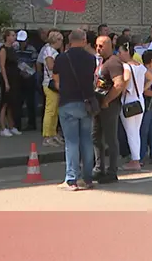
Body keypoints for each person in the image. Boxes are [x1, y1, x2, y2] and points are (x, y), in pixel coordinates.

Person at [53, 29, 97, 190]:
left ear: (70, 41)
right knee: (86, 140)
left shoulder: (61, 58)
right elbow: (91, 79)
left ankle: (71, 178)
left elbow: (56, 79)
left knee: (71, 142)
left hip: (67, 102)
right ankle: (87, 178)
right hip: (86, 102)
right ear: (84, 40)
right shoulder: (91, 58)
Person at [93, 35, 128, 184]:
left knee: (110, 139)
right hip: (98, 105)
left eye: (101, 46)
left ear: (109, 46)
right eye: (97, 45)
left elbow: (119, 84)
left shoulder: (113, 62)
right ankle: (99, 168)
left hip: (109, 107)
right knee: (95, 137)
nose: (98, 48)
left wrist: (107, 100)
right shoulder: (103, 61)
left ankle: (112, 171)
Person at [120, 44, 152, 172]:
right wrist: (141, 89)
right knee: (136, 131)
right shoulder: (140, 66)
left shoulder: (126, 66)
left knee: (130, 131)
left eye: (121, 51)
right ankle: (136, 158)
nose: (119, 54)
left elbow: (126, 78)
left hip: (128, 100)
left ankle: (135, 160)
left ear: (127, 52)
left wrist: (122, 90)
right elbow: (151, 78)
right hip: (139, 100)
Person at [137, 50, 152, 165]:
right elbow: (144, 90)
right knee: (144, 131)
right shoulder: (144, 72)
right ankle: (141, 156)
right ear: (151, 60)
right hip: (147, 104)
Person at [39, 30, 63, 147]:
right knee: (50, 110)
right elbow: (50, 66)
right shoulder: (49, 51)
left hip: (54, 83)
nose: (61, 42)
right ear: (55, 40)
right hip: (49, 83)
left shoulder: (53, 51)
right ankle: (47, 136)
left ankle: (53, 133)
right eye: (60, 40)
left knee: (55, 111)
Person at [0, 30, 22, 137]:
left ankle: (11, 126)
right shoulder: (3, 49)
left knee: (12, 102)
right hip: (7, 78)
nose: (14, 37)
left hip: (14, 77)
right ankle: (3, 127)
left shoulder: (13, 49)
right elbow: (2, 66)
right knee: (5, 102)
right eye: (12, 35)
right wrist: (6, 82)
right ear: (7, 37)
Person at [15, 30, 39, 132]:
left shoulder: (31, 49)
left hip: (30, 77)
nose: (22, 44)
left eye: (23, 41)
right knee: (19, 101)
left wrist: (30, 73)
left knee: (30, 102)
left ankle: (31, 123)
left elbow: (35, 63)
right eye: (20, 42)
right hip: (19, 76)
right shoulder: (15, 49)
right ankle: (17, 124)